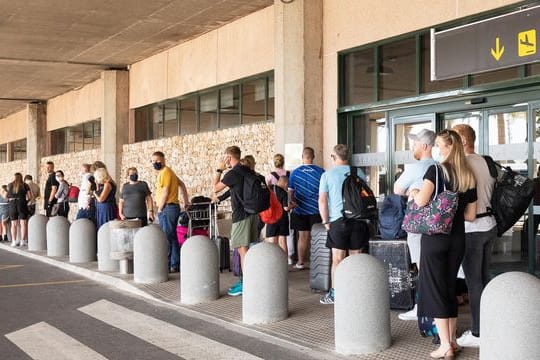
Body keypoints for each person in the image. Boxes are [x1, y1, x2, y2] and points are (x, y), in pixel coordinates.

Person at [410, 129, 477, 359]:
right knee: (449, 289)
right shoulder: (467, 175)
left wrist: (415, 191)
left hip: (435, 239)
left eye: (438, 145)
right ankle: (454, 341)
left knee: (435, 291)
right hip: (458, 239)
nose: (437, 149)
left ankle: (445, 345)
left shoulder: (436, 170)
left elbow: (421, 201)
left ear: (447, 147)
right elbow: (471, 215)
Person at [453, 124, 497, 348]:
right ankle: (488, 325)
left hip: (473, 229)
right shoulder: (485, 161)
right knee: (483, 279)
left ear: (462, 140)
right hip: (490, 226)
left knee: (474, 283)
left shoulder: (464, 165)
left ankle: (479, 333)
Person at [393, 129, 437, 321]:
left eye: (416, 143)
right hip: (439, 223)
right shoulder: (442, 166)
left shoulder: (416, 167)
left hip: (419, 224)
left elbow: (397, 189)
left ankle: (423, 309)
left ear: (425, 146)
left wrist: (412, 192)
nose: (413, 146)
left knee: (422, 267)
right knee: (436, 269)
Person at [318, 144, 370, 305]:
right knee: (356, 258)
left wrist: (326, 221)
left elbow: (322, 201)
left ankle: (335, 293)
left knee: (338, 260)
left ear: (334, 157)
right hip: (359, 220)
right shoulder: (358, 172)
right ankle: (355, 292)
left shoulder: (327, 175)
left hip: (338, 221)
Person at [213, 146, 259, 296]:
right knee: (247, 249)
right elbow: (232, 190)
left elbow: (215, 187)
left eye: (224, 157)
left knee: (242, 250)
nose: (223, 160)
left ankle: (247, 284)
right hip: (252, 214)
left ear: (229, 157)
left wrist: (219, 170)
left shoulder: (233, 172)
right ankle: (249, 281)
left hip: (241, 216)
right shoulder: (246, 169)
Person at [152, 151, 190, 273]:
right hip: (171, 207)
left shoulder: (166, 172)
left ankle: (167, 265)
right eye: (153, 161)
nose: (155, 163)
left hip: (168, 208)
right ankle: (175, 264)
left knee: (166, 238)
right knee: (172, 237)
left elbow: (165, 191)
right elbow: (182, 185)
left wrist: (160, 208)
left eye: (157, 160)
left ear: (163, 160)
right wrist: (186, 201)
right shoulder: (169, 172)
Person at [288, 147, 325, 270]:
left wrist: (292, 203)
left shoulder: (295, 173)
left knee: (302, 237)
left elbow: (290, 193)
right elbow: (325, 192)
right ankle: (319, 263)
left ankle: (300, 262)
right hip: (316, 209)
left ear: (302, 157)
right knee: (317, 237)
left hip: (300, 209)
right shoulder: (321, 172)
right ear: (313, 157)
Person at [266, 175, 290, 255]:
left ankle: (273, 264)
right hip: (282, 219)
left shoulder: (269, 188)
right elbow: (286, 208)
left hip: (271, 218)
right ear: (286, 184)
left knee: (272, 243)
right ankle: (284, 264)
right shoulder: (284, 193)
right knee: (283, 242)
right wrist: (293, 206)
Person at [7, 173, 32, 247]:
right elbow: (29, 196)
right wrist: (25, 201)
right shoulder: (25, 185)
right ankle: (23, 241)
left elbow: (5, 195)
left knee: (13, 224)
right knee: (23, 224)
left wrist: (10, 200)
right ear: (21, 177)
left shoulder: (10, 185)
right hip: (22, 203)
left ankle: (14, 241)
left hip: (12, 204)